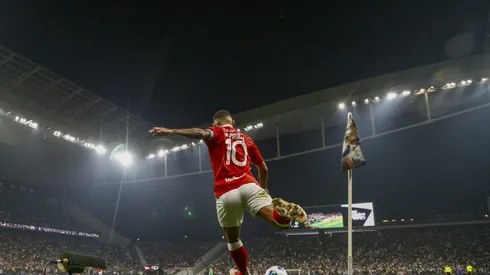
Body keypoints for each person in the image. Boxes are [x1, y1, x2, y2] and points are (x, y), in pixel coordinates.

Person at [149, 110, 307, 275]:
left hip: (226, 192)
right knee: (279, 222)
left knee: (233, 239)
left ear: (216, 123)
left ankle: (244, 273)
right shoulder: (246, 139)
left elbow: (201, 133)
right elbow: (263, 169)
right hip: (249, 185)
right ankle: (284, 216)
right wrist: (263, 188)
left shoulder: (217, 132)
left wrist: (173, 131)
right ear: (232, 122)